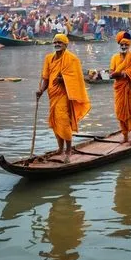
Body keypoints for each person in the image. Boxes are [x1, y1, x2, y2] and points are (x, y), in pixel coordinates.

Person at [36, 34, 91, 163]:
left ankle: (68, 150)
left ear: (65, 44)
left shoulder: (72, 59)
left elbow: (76, 78)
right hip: (52, 95)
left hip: (65, 95)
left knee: (63, 120)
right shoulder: (48, 58)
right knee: (55, 121)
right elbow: (46, 77)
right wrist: (41, 90)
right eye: (55, 42)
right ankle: (60, 149)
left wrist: (63, 79)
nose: (57, 44)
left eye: (60, 42)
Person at [110, 31, 131, 144]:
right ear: (119, 46)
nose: (124, 47)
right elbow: (111, 72)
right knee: (120, 113)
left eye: (126, 45)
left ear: (130, 45)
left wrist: (125, 73)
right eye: (122, 45)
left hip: (130, 89)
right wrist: (116, 74)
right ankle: (124, 136)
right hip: (119, 89)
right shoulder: (114, 57)